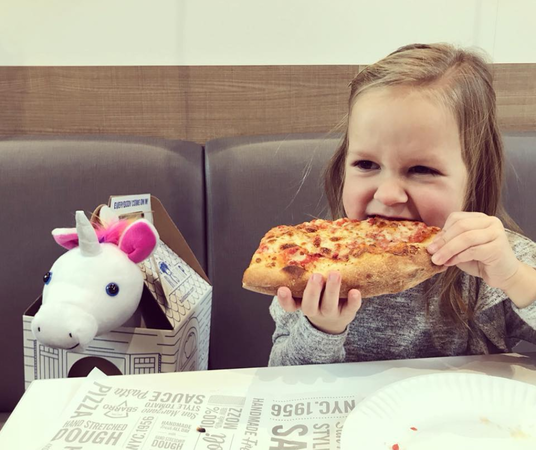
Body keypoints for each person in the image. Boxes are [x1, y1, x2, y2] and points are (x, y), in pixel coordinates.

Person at [269, 43, 536, 366]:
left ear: (474, 178)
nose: (387, 194)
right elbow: (279, 377)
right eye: (366, 164)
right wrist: (321, 329)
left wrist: (516, 279)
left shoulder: (499, 258)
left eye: (421, 169)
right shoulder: (307, 263)